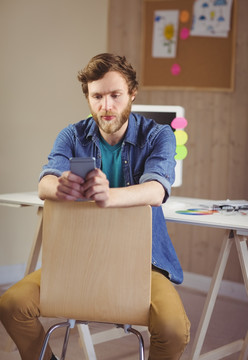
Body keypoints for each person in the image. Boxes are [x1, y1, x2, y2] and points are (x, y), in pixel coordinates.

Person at [0, 53, 190, 360]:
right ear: (88, 97)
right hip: (79, 259)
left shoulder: (159, 135)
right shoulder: (72, 134)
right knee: (12, 305)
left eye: (115, 95)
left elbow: (157, 190)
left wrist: (108, 195)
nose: (106, 106)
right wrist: (58, 185)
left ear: (132, 93)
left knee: (173, 329)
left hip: (142, 263)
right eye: (97, 96)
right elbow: (44, 182)